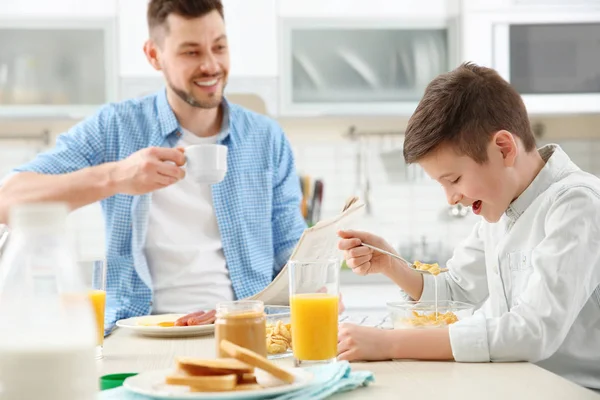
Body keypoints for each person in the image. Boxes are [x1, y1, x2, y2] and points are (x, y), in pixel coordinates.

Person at [0, 0, 306, 331]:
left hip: (242, 330)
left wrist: (312, 281)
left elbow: (292, 255)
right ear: (153, 55)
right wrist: (116, 176)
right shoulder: (115, 127)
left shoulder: (266, 138)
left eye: (219, 47)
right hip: (137, 331)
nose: (211, 65)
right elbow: (7, 200)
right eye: (191, 52)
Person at [337, 63, 600, 389]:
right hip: (519, 386)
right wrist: (391, 264)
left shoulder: (577, 204)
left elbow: (533, 332)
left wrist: (390, 342)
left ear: (504, 148)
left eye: (454, 179)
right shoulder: (502, 205)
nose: (450, 198)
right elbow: (457, 291)